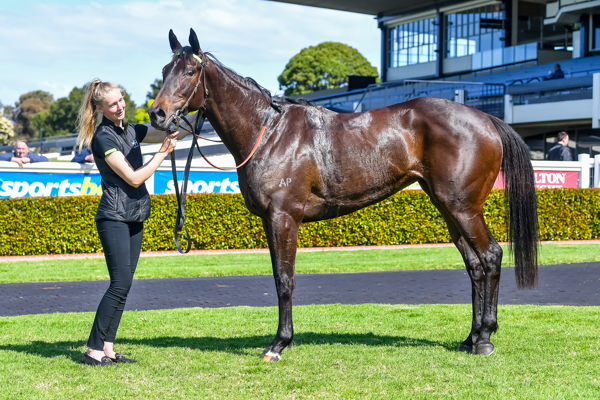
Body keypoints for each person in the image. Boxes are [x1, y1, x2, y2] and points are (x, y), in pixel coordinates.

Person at [76, 79, 183, 366]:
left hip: (135, 214)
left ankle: (108, 348)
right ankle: (93, 350)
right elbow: (134, 177)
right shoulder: (103, 138)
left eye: (121, 99)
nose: (120, 106)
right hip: (113, 216)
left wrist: (201, 113)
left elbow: (176, 130)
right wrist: (162, 152)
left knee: (125, 285)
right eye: (112, 103)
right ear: (100, 108)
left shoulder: (132, 130)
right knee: (119, 284)